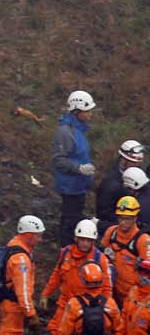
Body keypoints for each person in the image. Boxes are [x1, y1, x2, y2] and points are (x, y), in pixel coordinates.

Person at [42, 219, 114, 334]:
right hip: (65, 303)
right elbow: (57, 275)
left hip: (87, 307)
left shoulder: (100, 259)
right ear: (76, 238)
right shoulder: (66, 253)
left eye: (88, 240)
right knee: (57, 333)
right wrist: (46, 294)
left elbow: (107, 288)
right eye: (82, 239)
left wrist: (103, 311)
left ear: (93, 241)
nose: (85, 243)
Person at [54, 90, 99, 245]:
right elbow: (59, 160)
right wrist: (79, 169)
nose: (90, 114)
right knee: (69, 221)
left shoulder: (78, 130)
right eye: (88, 111)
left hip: (79, 185)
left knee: (73, 217)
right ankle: (65, 250)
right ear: (78, 111)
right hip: (70, 187)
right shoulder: (66, 132)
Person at [0, 215, 43, 335]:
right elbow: (22, 290)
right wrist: (31, 315)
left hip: (8, 306)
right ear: (28, 235)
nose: (40, 240)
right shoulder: (21, 259)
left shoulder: (13, 245)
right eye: (38, 236)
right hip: (13, 309)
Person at [49, 263, 120, 335]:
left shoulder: (74, 304)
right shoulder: (111, 303)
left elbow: (64, 334)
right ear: (102, 280)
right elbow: (118, 329)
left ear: (83, 280)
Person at [102, 196, 150, 308]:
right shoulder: (111, 232)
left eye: (127, 219)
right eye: (120, 218)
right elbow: (100, 258)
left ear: (135, 218)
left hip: (134, 296)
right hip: (113, 291)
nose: (123, 222)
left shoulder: (143, 240)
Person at [97, 140, 146, 233]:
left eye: (138, 164)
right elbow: (104, 213)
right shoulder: (111, 184)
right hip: (117, 228)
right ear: (123, 160)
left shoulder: (138, 175)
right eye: (133, 163)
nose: (136, 166)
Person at [121, 258, 150, 335]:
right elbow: (124, 315)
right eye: (141, 271)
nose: (143, 276)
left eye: (147, 273)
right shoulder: (133, 291)